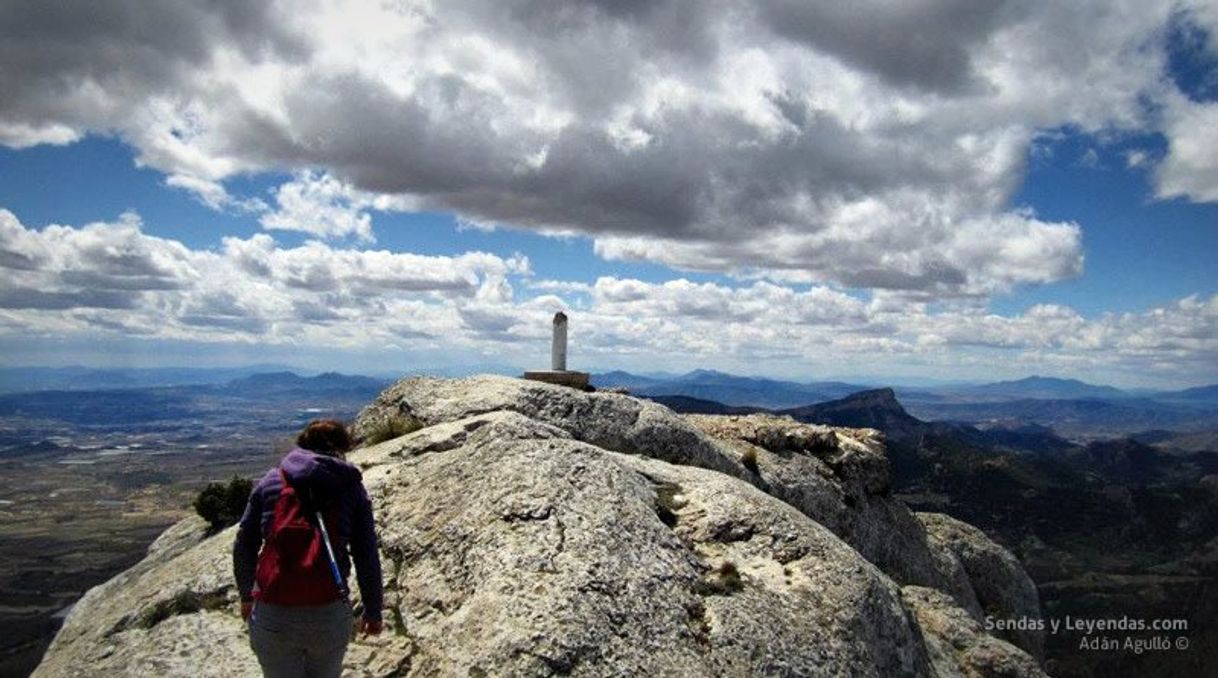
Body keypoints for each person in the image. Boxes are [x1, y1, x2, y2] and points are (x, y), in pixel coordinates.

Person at [233, 419, 383, 677]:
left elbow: (245, 544)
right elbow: (365, 552)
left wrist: (247, 594)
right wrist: (373, 609)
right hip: (329, 612)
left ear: (301, 444)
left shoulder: (271, 481)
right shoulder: (351, 487)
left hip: (273, 611)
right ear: (342, 449)